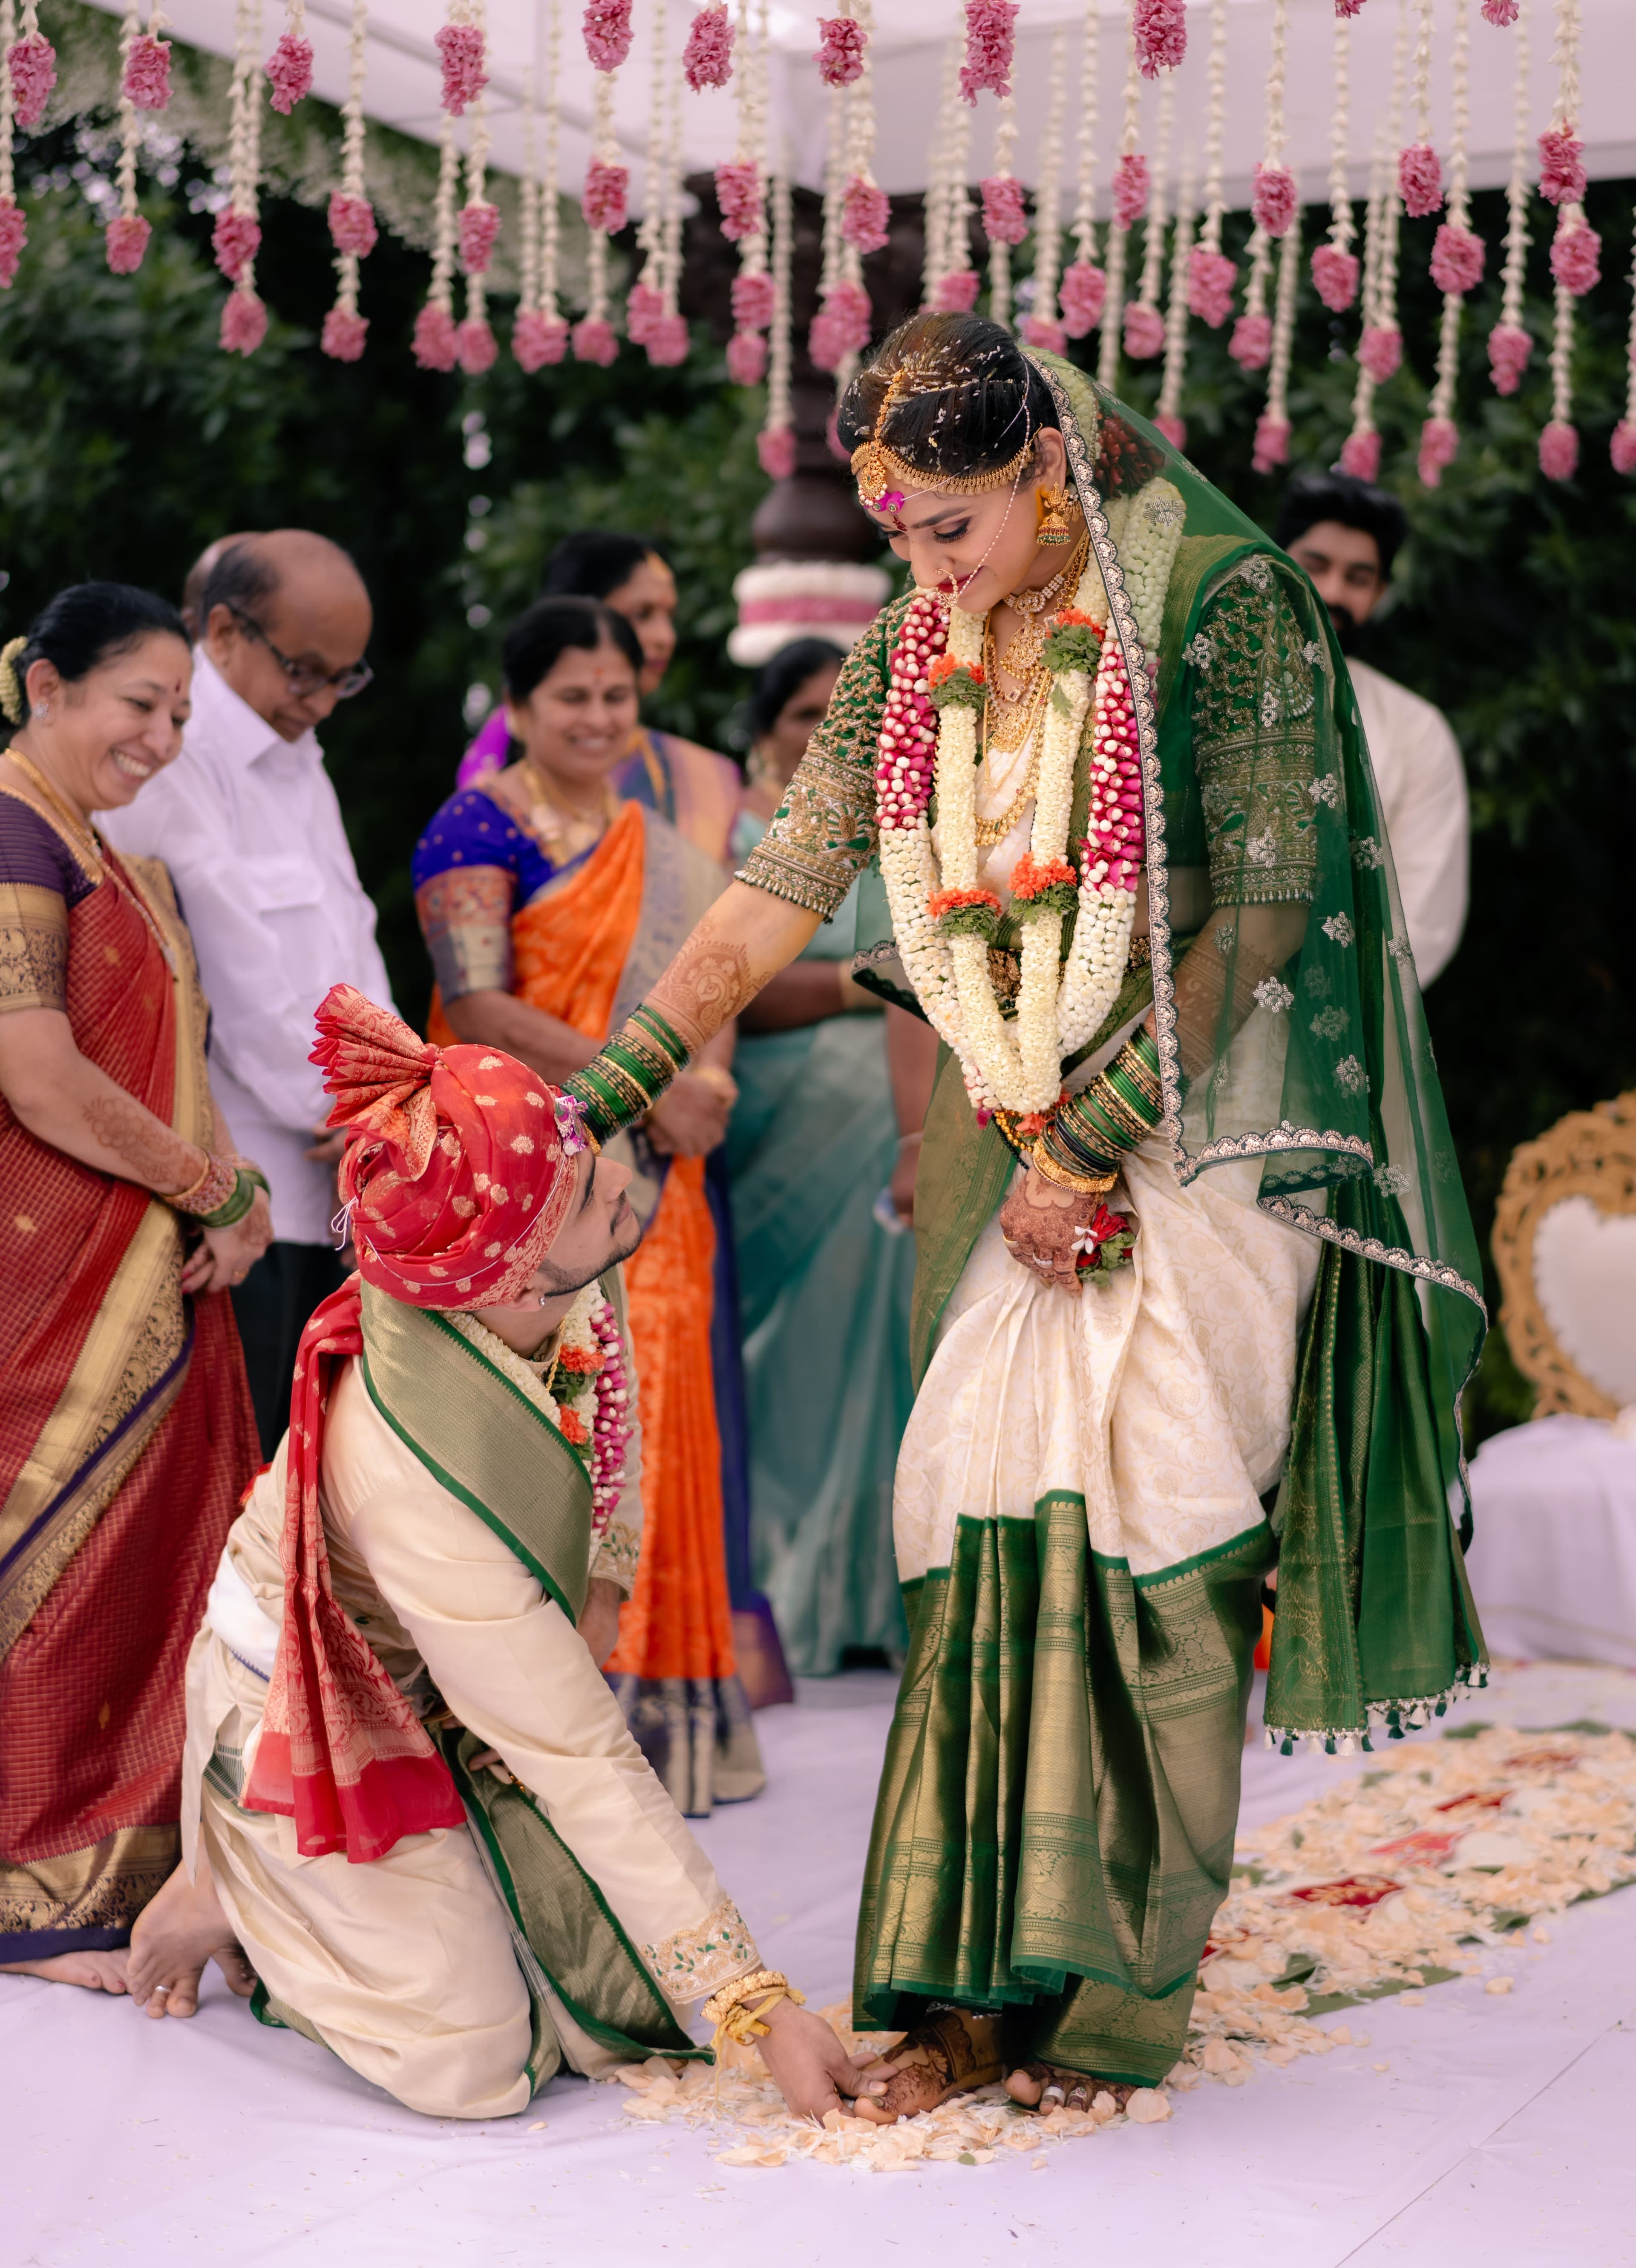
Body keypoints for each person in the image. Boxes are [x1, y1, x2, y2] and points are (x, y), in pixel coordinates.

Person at [556, 317, 1488, 2121]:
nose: (924, 568)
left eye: (950, 526)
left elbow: (1269, 902)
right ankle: (965, 1993)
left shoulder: (1222, 607)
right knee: (968, 1508)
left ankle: (1117, 1998)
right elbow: (788, 870)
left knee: (1152, 1511)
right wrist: (616, 1080)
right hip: (1008, 1121)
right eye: (899, 534)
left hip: (1202, 1136)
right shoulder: (921, 640)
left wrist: (1098, 1142)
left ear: (1046, 466)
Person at [124, 985, 880, 2127]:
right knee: (474, 2064)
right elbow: (575, 1750)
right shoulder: (417, 1470)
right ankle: (225, 1875)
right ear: (519, 1275)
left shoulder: (519, 1255)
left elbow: (606, 1410)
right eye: (579, 1188)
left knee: (595, 2003)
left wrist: (600, 1586)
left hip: (451, 1674)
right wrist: (755, 2003)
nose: (614, 1175)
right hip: (308, 1711)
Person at [413, 596, 762, 1815]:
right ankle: (552, 1728)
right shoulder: (475, 826)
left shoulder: (658, 843)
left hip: (661, 1175)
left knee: (663, 1410)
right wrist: (654, 1085)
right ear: (519, 708)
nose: (600, 716)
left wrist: (706, 1085)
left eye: (617, 694)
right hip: (530, 1174)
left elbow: (711, 989)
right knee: (573, 1417)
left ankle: (667, 1726)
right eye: (572, 695)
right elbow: (481, 1007)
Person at [0, 585, 266, 1988]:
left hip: (150, 1256)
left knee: (152, 1568)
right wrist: (208, 1187)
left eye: (178, 714)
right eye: (138, 705)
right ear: (47, 687)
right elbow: (38, 1075)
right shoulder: (13, 838)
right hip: (45, 1270)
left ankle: (137, 1870)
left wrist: (231, 1189)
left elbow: (169, 1063)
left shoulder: (109, 854)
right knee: (59, 1560)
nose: (161, 738)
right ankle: (30, 1898)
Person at [101, 531, 392, 1460]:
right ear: (224, 632)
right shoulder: (177, 754)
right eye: (305, 672)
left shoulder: (297, 749)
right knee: (237, 1481)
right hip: (234, 1201)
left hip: (336, 1186)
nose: (321, 702)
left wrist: (394, 1102)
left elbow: (352, 941)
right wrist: (355, 1110)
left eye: (345, 679)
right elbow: (232, 978)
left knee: (307, 1481)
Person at [727, 638, 932, 1673]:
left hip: (885, 1123)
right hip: (771, 1121)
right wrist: (862, 980)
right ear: (767, 731)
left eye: (848, 712)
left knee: (872, 1341)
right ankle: (781, 1588)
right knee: (780, 1364)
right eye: (807, 713)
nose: (831, 731)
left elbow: (929, 975)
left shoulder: (899, 831)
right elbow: (729, 987)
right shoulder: (734, 829)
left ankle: (869, 1593)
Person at [1275, 473, 1469, 986]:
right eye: (1316, 566)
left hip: (1339, 1010)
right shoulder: (1202, 683)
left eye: (1358, 578)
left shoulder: (1417, 731)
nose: (1333, 591)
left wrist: (1319, 1005)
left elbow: (1424, 917)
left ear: (1380, 593)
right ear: (1274, 563)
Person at [460, 531, 742, 868]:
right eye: (643, 614)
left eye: (670, 616)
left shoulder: (705, 775)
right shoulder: (494, 781)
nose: (666, 637)